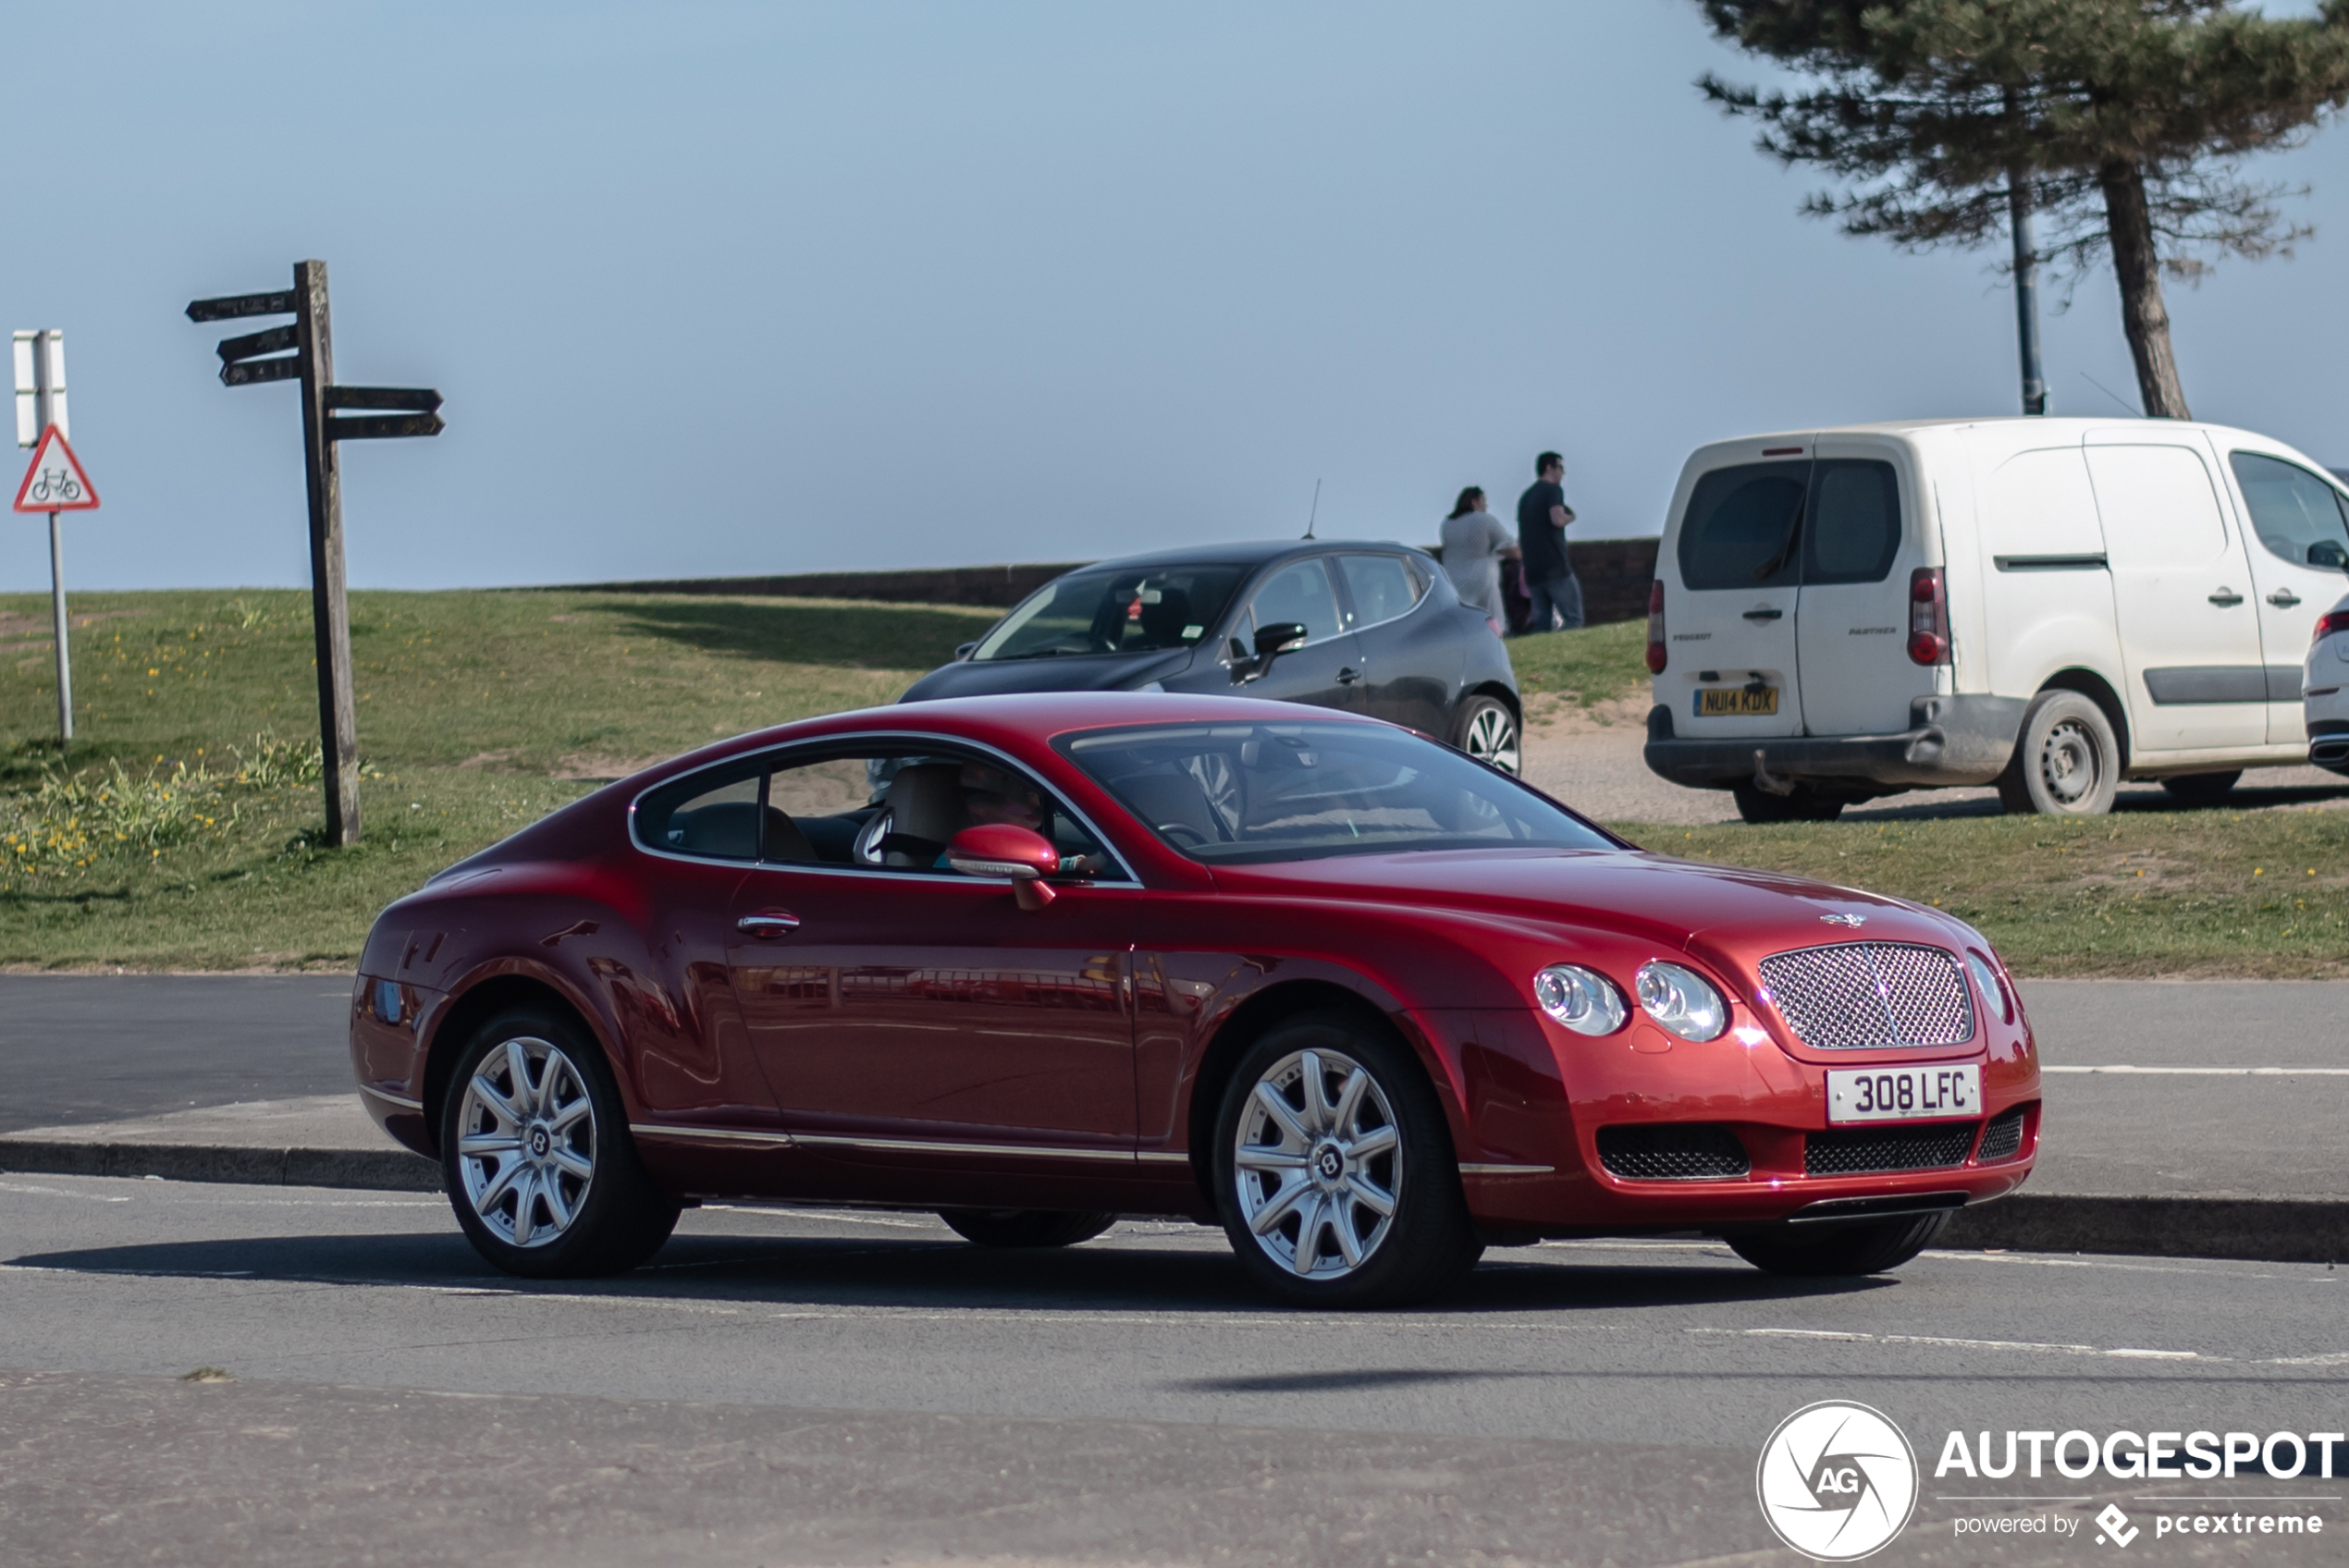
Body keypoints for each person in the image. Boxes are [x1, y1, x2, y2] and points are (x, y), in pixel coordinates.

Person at [1514, 450, 1582, 633]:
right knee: (1573, 619)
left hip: (1533, 570)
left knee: (1542, 624)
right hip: (1555, 567)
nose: (1563, 473)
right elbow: (1557, 519)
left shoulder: (1526, 497)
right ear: (1549, 468)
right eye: (1560, 467)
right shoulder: (1553, 490)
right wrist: (1570, 516)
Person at [1437, 486, 1517, 631]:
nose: (1486, 506)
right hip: (1482, 577)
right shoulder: (1484, 520)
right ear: (1475, 502)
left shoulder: (1447, 524)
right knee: (1493, 619)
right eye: (1484, 501)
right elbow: (1509, 548)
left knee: (1462, 621)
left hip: (1453, 579)